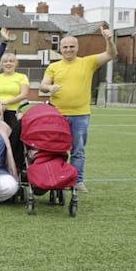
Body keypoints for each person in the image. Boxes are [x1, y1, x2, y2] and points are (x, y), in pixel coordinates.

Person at [39, 27, 115, 193]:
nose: (68, 50)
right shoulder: (53, 67)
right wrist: (49, 87)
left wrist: (109, 40)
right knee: (55, 149)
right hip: (57, 115)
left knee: (78, 150)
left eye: (71, 46)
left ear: (77, 48)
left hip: (81, 115)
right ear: (60, 48)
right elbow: (43, 85)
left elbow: (110, 54)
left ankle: (77, 181)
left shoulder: (88, 62)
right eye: (65, 47)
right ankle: (57, 178)